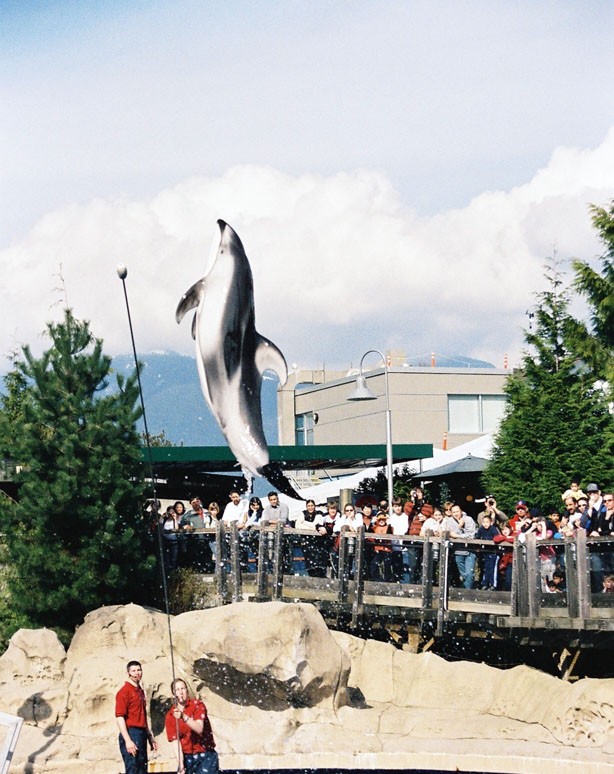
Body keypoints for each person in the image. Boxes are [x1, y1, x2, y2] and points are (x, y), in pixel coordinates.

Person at [165, 678, 218, 774]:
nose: (181, 692)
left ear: (187, 690)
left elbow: (199, 728)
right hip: (187, 757)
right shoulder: (170, 715)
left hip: (206, 755)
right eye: (177, 690)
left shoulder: (198, 705)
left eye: (183, 689)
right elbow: (175, 742)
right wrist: (181, 765)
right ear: (173, 694)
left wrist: (183, 717)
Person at [115, 660, 157, 774]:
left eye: (139, 670)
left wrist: (150, 737)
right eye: (133, 671)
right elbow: (120, 717)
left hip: (141, 733)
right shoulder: (124, 692)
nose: (137, 673)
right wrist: (128, 740)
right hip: (131, 733)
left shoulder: (140, 692)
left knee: (142, 769)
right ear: (128, 673)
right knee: (133, 769)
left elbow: (142, 716)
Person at [449, 504, 477, 589]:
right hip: (457, 551)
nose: (456, 513)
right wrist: (459, 527)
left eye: (457, 511)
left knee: (469, 573)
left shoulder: (468, 519)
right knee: (463, 574)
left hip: (470, 550)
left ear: (461, 511)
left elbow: (471, 535)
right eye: (454, 512)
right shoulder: (449, 521)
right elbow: (450, 534)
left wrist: (457, 535)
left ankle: (467, 592)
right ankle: (464, 589)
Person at [475, 514, 500, 589]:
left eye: (487, 522)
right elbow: (477, 537)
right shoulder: (481, 529)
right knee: (486, 567)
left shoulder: (493, 529)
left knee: (492, 568)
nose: (485, 524)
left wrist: (488, 540)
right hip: (485, 551)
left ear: (491, 523)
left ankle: (493, 584)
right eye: (484, 522)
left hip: (493, 551)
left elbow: (496, 537)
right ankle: (485, 583)